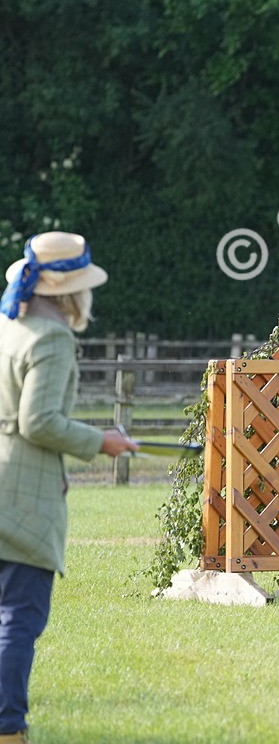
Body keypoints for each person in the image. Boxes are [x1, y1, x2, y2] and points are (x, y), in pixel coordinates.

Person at [0, 232, 138, 743]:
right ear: (70, 292)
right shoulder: (51, 336)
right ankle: (8, 730)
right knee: (19, 619)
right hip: (21, 494)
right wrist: (100, 441)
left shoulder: (7, 326)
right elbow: (37, 422)